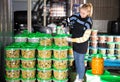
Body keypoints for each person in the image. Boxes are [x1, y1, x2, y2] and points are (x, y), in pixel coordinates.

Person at [67, 3, 93, 82]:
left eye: (83, 13)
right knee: (76, 60)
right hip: (75, 43)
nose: (81, 14)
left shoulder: (89, 23)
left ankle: (80, 78)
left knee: (80, 61)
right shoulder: (77, 15)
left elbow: (84, 38)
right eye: (80, 12)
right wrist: (65, 25)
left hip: (82, 45)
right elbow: (69, 20)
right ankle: (78, 76)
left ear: (88, 13)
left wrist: (71, 40)